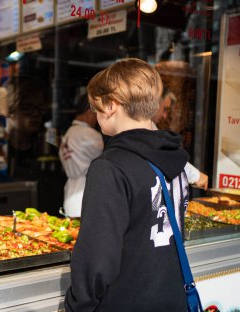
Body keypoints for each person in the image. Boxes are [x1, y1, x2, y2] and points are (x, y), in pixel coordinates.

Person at [65, 58, 189, 311]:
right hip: (171, 297)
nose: (96, 114)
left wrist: (77, 305)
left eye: (96, 106)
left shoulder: (110, 167)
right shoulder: (176, 161)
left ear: (111, 105)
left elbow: (97, 260)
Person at [153, 87, 209, 190]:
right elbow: (166, 155)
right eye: (164, 109)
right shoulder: (147, 128)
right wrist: (196, 176)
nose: (165, 116)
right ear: (155, 103)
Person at [59, 95, 104, 218]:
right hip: (85, 193)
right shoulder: (89, 134)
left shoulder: (69, 133)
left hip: (70, 193)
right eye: (97, 113)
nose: (98, 118)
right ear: (89, 112)